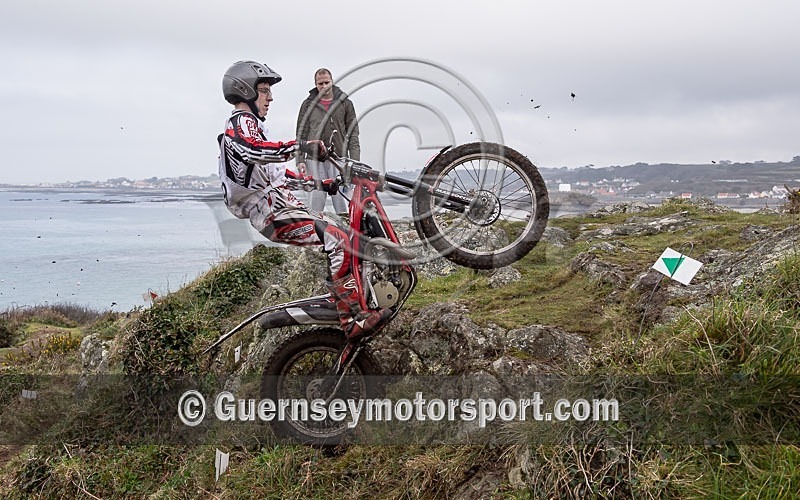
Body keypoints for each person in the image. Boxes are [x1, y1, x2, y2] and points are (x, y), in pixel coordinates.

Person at [218, 60, 390, 340]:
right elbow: (253, 151)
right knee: (339, 239)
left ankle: (358, 299)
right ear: (246, 91)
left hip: (280, 207)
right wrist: (303, 147)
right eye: (264, 91)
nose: (270, 97)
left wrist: (321, 183)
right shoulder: (240, 124)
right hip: (272, 214)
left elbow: (276, 176)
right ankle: (351, 318)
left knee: (350, 238)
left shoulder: (252, 126)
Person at [295, 68, 361, 215]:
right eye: (320, 83)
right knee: (316, 199)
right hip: (314, 158)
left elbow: (353, 134)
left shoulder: (345, 103)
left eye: (326, 82)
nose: (324, 86)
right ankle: (316, 230)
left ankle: (348, 230)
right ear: (315, 84)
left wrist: (354, 161)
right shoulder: (307, 105)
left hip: (339, 158)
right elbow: (301, 134)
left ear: (332, 82)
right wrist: (300, 160)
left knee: (342, 198)